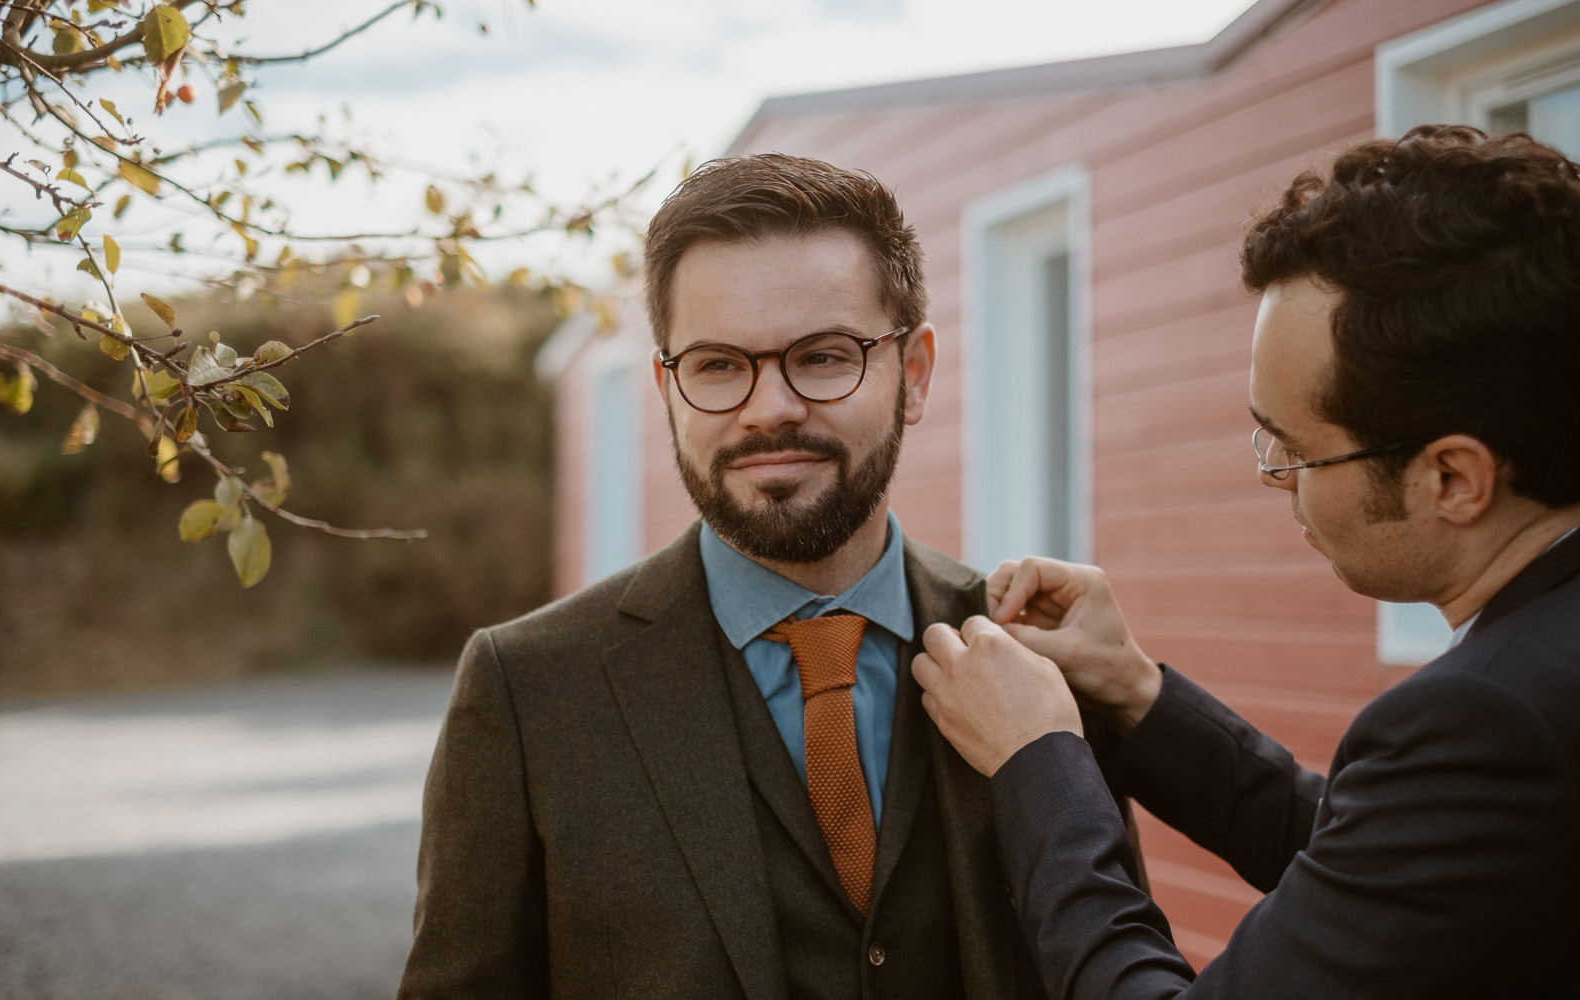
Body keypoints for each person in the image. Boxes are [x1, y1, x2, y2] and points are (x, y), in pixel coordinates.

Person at [397, 153, 1143, 1000]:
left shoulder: (1040, 660)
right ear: (668, 389)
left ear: (917, 374)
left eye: (824, 357)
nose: (769, 408)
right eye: (717, 365)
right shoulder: (526, 688)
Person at [912, 125, 1580, 998]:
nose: (1273, 478)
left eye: (1297, 451)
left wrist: (1038, 758)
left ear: (1453, 478)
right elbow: (1380, 869)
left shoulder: (1487, 717)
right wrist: (1135, 687)